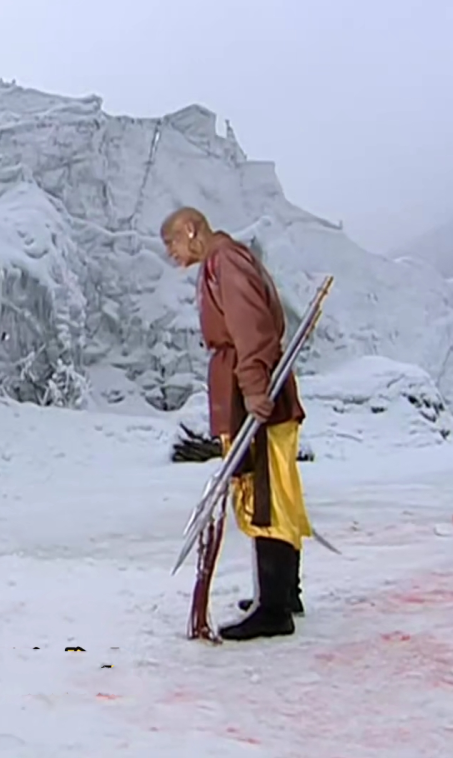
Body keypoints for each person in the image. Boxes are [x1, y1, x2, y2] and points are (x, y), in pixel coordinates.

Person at [160, 207, 311, 641]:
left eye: (172, 242)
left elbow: (251, 328)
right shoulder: (222, 261)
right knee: (270, 488)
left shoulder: (225, 261)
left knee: (266, 493)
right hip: (244, 387)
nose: (170, 253)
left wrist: (254, 388)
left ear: (192, 230)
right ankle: (284, 593)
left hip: (252, 392)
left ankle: (275, 608)